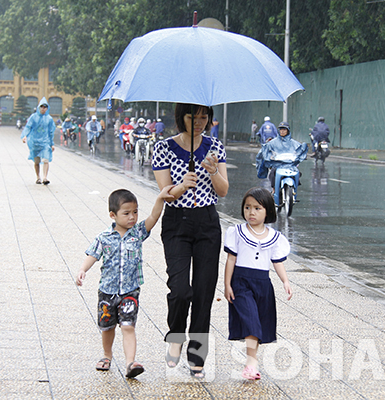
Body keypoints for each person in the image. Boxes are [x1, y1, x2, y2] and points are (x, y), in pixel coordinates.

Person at [152, 103, 229, 378]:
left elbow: (223, 191)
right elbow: (164, 193)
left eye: (203, 117)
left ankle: (197, 353)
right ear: (180, 118)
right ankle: (175, 336)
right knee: (181, 288)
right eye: (192, 117)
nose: (198, 122)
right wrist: (182, 185)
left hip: (207, 223)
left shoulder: (214, 146)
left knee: (204, 290)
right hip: (177, 224)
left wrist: (212, 171)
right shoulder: (164, 147)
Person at [76, 187, 175, 378]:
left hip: (130, 291)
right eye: (127, 213)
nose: (132, 217)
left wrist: (160, 199)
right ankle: (107, 355)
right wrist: (82, 270)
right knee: (107, 327)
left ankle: (131, 363)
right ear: (113, 215)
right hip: (107, 291)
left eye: (135, 212)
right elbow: (92, 254)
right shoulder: (104, 238)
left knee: (128, 326)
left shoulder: (137, 233)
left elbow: (153, 217)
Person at [224, 187, 292, 380]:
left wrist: (285, 281)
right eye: (247, 207)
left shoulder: (274, 238)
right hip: (241, 283)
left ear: (268, 211)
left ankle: (251, 362)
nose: (251, 212)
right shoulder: (236, 232)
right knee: (251, 320)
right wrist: (227, 284)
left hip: (263, 284)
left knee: (260, 323)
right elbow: (231, 259)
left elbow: (277, 262)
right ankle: (251, 362)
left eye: (257, 208)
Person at [256, 121, 308, 192]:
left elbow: (300, 149)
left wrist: (303, 155)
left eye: (284, 129)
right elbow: (263, 151)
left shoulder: (294, 143)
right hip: (278, 165)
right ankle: (274, 190)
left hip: (290, 166)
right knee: (272, 173)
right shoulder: (273, 142)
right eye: (281, 129)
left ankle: (293, 190)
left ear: (288, 130)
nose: (282, 131)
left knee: (297, 173)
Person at [21, 97, 56, 185]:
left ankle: (45, 178)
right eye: (41, 107)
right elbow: (28, 127)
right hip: (34, 142)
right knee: (37, 161)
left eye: (45, 107)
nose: (43, 108)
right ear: (38, 107)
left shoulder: (49, 119)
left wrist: (52, 144)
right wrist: (25, 135)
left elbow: (51, 132)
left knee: (46, 160)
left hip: (45, 142)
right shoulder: (33, 117)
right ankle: (38, 177)